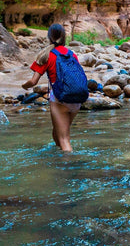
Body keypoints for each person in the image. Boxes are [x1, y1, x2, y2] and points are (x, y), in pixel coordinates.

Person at [22, 24, 85, 152]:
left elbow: (33, 81)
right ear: (64, 37)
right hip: (77, 99)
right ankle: (59, 159)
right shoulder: (72, 54)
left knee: (64, 139)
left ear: (49, 37)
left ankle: (71, 168)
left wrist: (24, 86)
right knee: (57, 134)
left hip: (60, 100)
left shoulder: (46, 55)